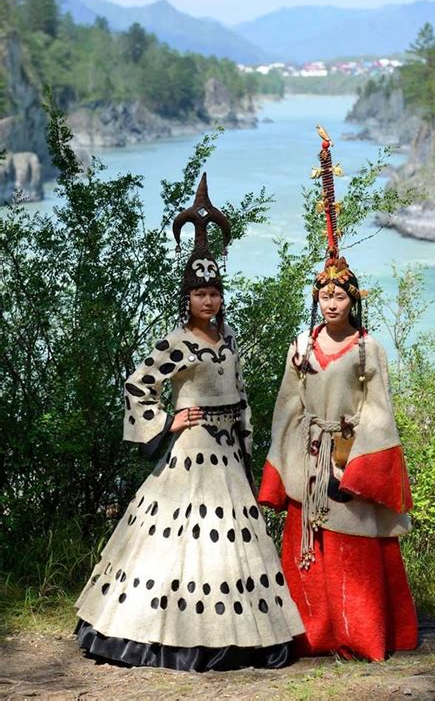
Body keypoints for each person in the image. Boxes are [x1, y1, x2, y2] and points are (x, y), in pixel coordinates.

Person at [74, 174, 304, 672]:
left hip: (226, 454)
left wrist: (246, 442)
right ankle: (165, 635)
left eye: (215, 293)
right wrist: (168, 419)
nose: (209, 301)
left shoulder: (230, 341)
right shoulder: (176, 342)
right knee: (179, 541)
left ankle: (239, 635)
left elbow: (240, 395)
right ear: (187, 298)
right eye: (200, 294)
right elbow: (138, 385)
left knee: (233, 544)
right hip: (191, 450)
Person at [258, 127, 418, 662]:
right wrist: (288, 464)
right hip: (309, 455)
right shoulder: (301, 347)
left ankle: (362, 633)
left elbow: (380, 410)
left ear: (353, 298)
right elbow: (288, 405)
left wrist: (356, 465)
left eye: (339, 294)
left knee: (354, 547)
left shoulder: (368, 349)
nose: (331, 303)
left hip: (349, 455)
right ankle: (315, 634)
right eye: (323, 295)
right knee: (310, 551)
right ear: (317, 300)